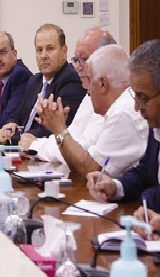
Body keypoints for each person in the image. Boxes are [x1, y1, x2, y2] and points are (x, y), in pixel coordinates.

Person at [87, 39, 160, 213]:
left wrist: (145, 196)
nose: (136, 107)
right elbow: (145, 172)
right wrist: (115, 187)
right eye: (135, 96)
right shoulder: (157, 119)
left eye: (143, 98)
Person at [30, 44, 148, 178]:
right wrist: (60, 130)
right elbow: (76, 161)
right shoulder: (118, 105)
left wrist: (59, 129)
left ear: (102, 83)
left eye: (89, 80)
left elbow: (91, 168)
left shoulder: (122, 112)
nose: (88, 91)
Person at [20, 27, 115, 162]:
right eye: (76, 59)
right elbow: (71, 138)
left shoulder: (75, 82)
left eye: (84, 59)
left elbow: (81, 152)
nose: (77, 67)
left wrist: (35, 145)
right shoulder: (89, 96)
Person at [0, 23, 85, 143]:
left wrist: (11, 138)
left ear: (64, 52)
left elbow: (52, 131)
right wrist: (11, 125)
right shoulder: (34, 81)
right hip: (22, 148)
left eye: (50, 49)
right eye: (39, 50)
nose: (43, 56)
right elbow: (18, 115)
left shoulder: (71, 80)